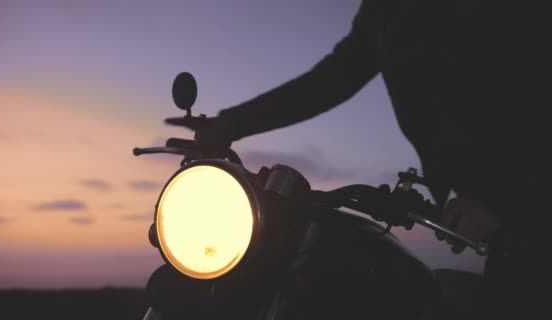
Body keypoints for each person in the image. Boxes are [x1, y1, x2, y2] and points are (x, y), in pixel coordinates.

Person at [167, 0, 550, 318]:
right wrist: (231, 123)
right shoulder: (383, 14)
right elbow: (329, 80)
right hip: (490, 214)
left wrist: (509, 202)